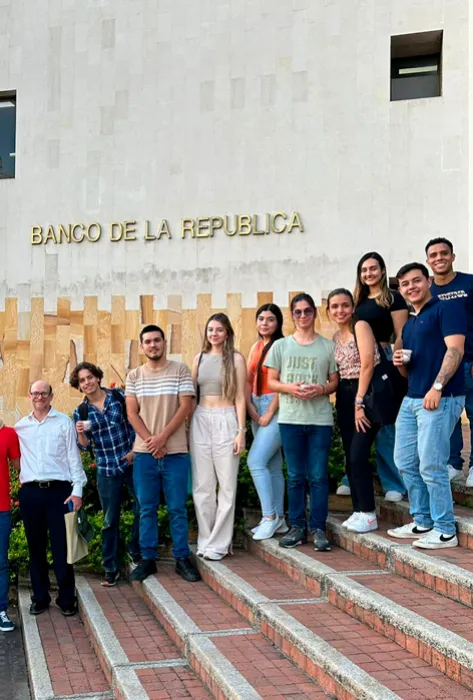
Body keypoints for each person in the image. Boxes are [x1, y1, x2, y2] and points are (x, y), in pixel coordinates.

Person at [387, 263, 466, 549]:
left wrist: (437, 386)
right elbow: (409, 370)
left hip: (441, 397)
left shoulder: (447, 310)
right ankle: (423, 521)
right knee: (405, 462)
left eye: (415, 281)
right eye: (404, 284)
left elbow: (455, 350)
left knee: (432, 464)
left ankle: (445, 530)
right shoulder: (410, 322)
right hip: (412, 398)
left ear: (428, 280)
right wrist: (401, 364)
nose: (410, 287)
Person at [126, 325, 200, 583]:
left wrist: (162, 438)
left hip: (175, 451)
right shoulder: (134, 376)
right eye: (147, 341)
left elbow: (185, 407)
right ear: (142, 346)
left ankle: (181, 558)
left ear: (164, 342)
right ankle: (148, 559)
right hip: (145, 454)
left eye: (157, 340)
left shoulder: (180, 370)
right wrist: (151, 441)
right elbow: (132, 413)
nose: (153, 345)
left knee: (177, 508)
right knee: (146, 508)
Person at [266, 293, 339, 552]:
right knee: (295, 476)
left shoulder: (328, 346)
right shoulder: (281, 346)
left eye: (308, 311)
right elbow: (271, 381)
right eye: (298, 312)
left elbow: (334, 381)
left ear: (315, 313)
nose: (303, 316)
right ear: (292, 315)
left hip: (319, 420)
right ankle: (297, 527)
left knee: (318, 477)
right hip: (290, 419)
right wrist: (290, 388)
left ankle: (319, 528)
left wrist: (321, 389)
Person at [336, 252, 407, 502]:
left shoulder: (393, 298)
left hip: (384, 360)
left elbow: (401, 334)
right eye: (364, 270)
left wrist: (398, 366)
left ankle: (393, 484)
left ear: (382, 270)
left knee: (384, 422)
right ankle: (350, 476)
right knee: (357, 424)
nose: (369, 274)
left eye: (373, 269)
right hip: (357, 362)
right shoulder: (359, 301)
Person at [15, 381, 87, 615]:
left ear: (51, 396)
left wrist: (77, 491)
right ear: (29, 396)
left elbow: (73, 458)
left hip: (60, 491)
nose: (39, 397)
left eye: (43, 393)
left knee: (62, 547)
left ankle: (67, 599)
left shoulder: (64, 423)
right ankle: (40, 597)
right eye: (35, 393)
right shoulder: (21, 427)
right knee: (35, 547)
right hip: (31, 493)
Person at [71, 362, 139, 587]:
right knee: (110, 520)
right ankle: (110, 567)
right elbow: (84, 447)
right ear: (79, 386)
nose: (87, 382)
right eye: (82, 380)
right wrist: (80, 433)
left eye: (90, 377)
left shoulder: (119, 396)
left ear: (98, 377)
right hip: (106, 469)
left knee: (143, 506)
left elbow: (135, 423)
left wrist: (133, 452)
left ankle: (135, 549)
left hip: (130, 461)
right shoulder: (81, 412)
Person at [190, 313, 247, 560]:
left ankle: (220, 543)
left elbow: (241, 397)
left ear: (227, 333)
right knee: (202, 486)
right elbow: (192, 395)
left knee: (227, 486)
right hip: (200, 419)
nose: (214, 334)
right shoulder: (199, 358)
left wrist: (241, 432)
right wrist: (186, 428)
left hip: (227, 419)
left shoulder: (236, 359)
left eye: (219, 330)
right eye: (210, 329)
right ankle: (206, 540)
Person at [329, 289, 382, 533]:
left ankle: (369, 513)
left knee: (358, 454)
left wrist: (359, 402)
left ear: (353, 307)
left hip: (366, 394)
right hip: (344, 395)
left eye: (345, 305)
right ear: (328, 310)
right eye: (335, 306)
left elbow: (368, 363)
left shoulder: (360, 326)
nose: (340, 310)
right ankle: (359, 510)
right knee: (350, 453)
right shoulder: (334, 337)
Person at [426, 237, 473, 486]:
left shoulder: (469, 283)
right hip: (442, 367)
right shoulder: (428, 291)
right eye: (433, 255)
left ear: (453, 256)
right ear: (428, 261)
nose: (439, 258)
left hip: (469, 363)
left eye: (444, 253)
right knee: (449, 417)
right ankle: (453, 463)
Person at [246, 304, 288, 541]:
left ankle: (269, 517)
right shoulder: (255, 346)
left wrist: (268, 413)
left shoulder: (282, 346)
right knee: (272, 465)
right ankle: (280, 519)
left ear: (278, 323)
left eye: (270, 319)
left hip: (275, 407)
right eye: (261, 318)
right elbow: (248, 379)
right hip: (256, 404)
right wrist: (250, 407)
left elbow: (282, 384)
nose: (264, 323)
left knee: (255, 460)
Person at [0, 421, 20, 631]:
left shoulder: (8, 434)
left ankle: (1, 610)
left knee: (0, 562)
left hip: (1, 508)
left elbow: (19, 466)